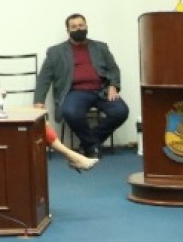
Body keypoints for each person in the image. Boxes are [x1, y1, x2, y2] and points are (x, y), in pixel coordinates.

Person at [36, 14, 127, 160]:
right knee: (70, 112)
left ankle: (88, 145)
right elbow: (44, 78)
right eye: (74, 27)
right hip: (75, 92)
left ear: (86, 27)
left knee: (121, 111)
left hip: (101, 90)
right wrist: (39, 101)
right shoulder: (55, 52)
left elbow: (113, 69)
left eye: (81, 25)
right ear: (68, 31)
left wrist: (113, 85)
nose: (78, 29)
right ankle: (92, 146)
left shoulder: (101, 47)